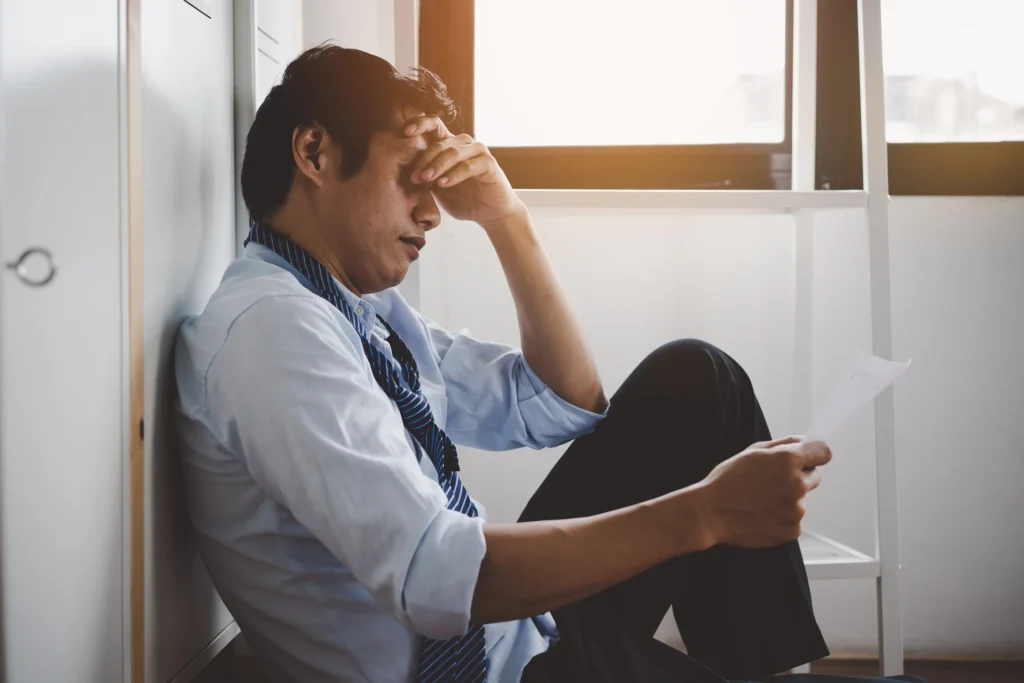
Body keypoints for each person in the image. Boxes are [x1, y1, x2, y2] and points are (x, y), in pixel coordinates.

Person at [175, 45, 923, 683]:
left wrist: (507, 218)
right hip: (478, 666)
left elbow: (564, 401)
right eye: (411, 174)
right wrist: (707, 512)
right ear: (314, 153)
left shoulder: (355, 310)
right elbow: (438, 577)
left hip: (516, 633)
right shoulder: (274, 332)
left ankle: (767, 668)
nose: (432, 212)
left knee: (698, 380)